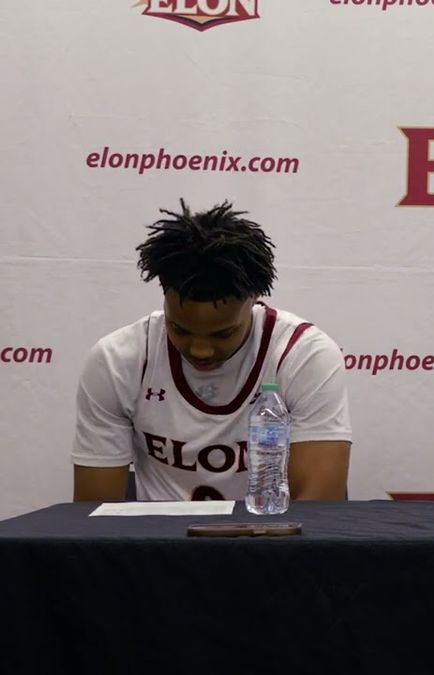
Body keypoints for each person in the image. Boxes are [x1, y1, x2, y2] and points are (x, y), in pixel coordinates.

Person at [72, 201, 352, 502]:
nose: (201, 350)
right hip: (159, 546)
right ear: (164, 295)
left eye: (223, 333)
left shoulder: (303, 355)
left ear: (254, 298)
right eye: (180, 329)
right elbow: (94, 515)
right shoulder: (118, 360)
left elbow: (321, 507)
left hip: (271, 545)